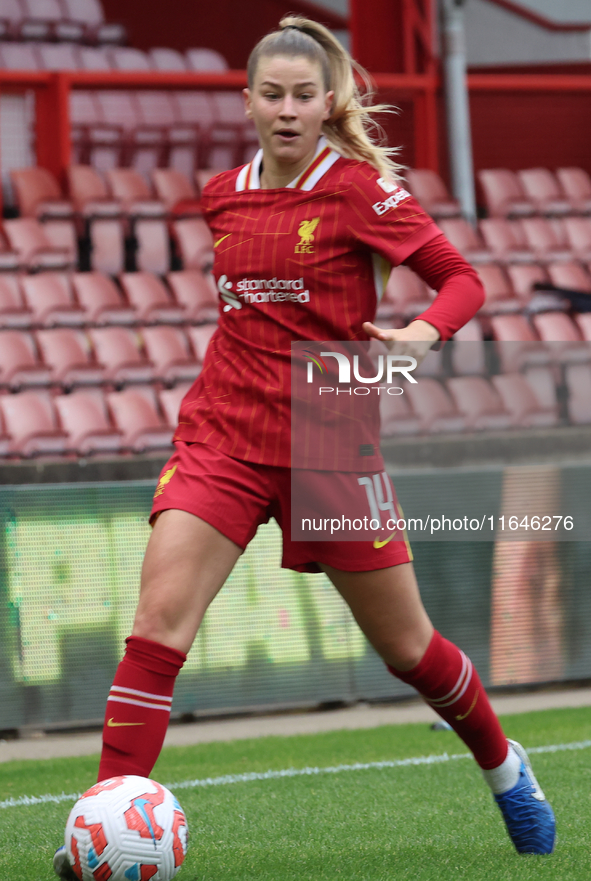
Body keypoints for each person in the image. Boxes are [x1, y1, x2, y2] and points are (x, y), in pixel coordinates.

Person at [54, 15, 554, 877]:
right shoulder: (222, 193)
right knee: (156, 629)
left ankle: (505, 767)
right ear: (247, 101)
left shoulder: (360, 190)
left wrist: (421, 334)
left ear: (331, 100)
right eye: (271, 95)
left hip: (328, 437)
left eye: (302, 95)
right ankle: (100, 827)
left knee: (410, 652)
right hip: (222, 434)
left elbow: (461, 278)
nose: (286, 109)